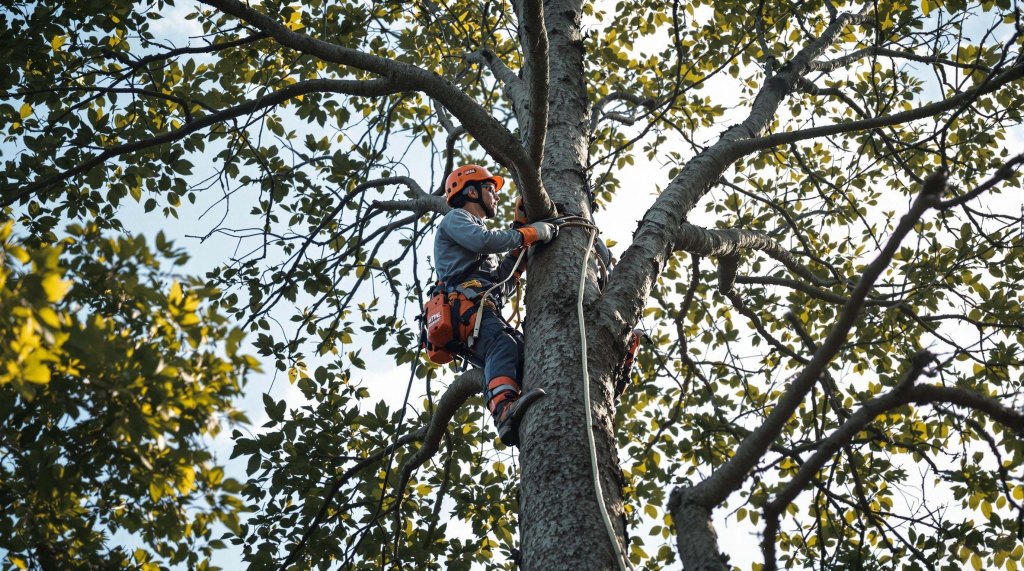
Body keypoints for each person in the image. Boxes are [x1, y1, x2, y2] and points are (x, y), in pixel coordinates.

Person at [433, 164, 557, 447]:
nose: (496, 197)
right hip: (468, 312)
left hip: (482, 311)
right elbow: (484, 241)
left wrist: (521, 247)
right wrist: (528, 234)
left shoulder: (478, 242)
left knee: (523, 350)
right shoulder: (456, 219)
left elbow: (502, 281)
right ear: (472, 192)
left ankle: (520, 402)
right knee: (503, 345)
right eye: (491, 189)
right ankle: (503, 410)